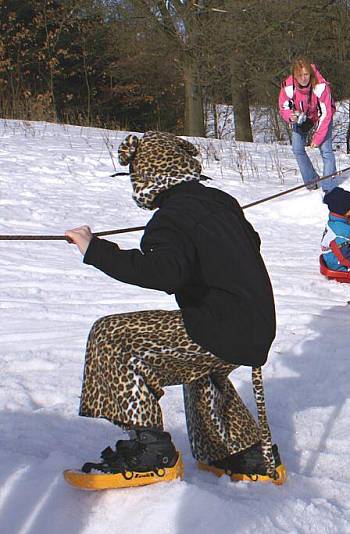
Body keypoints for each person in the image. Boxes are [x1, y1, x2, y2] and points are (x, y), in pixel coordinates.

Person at [62, 131, 284, 490]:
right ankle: (241, 453)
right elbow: (248, 243)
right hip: (254, 324)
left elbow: (165, 271)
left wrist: (93, 249)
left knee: (113, 335)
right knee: (197, 358)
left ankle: (151, 453)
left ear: (147, 176)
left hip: (223, 326)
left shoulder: (173, 216)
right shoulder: (220, 201)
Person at [279, 57, 337, 192]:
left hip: (322, 116)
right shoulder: (288, 86)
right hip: (301, 117)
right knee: (297, 149)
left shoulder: (321, 86)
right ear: (295, 75)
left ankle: (328, 187)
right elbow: (283, 106)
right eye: (300, 75)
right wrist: (290, 116)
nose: (304, 78)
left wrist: (317, 138)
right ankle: (311, 181)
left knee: (326, 150)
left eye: (306, 75)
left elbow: (326, 113)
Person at [320, 187, 350, 272]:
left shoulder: (341, 225)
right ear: (345, 210)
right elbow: (346, 256)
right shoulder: (340, 232)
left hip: (345, 259)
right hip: (343, 266)